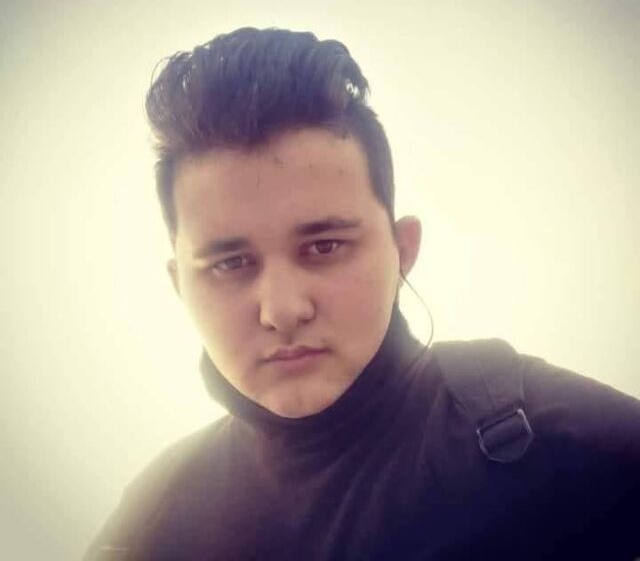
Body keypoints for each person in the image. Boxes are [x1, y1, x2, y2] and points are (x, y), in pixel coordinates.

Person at [85, 27, 640, 560]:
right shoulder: (153, 520)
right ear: (180, 285)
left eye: (324, 246)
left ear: (403, 250)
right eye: (230, 264)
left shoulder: (559, 440)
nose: (283, 311)